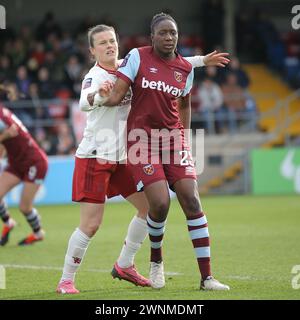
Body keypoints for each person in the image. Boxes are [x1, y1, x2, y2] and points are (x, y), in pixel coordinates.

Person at [56, 24, 230, 294]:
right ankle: (66, 279)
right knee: (91, 224)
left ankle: (125, 264)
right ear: (92, 51)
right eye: (101, 43)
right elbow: (83, 101)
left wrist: (202, 61)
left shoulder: (129, 65)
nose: (109, 46)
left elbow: (167, 60)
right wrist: (98, 95)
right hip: (96, 156)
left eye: (112, 40)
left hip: (125, 156)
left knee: (150, 208)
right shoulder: (95, 75)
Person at [0, 86, 48, 246]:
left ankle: (38, 233)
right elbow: (4, 141)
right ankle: (8, 223)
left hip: (34, 162)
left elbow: (9, 134)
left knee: (24, 207)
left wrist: (5, 136)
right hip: (16, 163)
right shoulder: (2, 111)